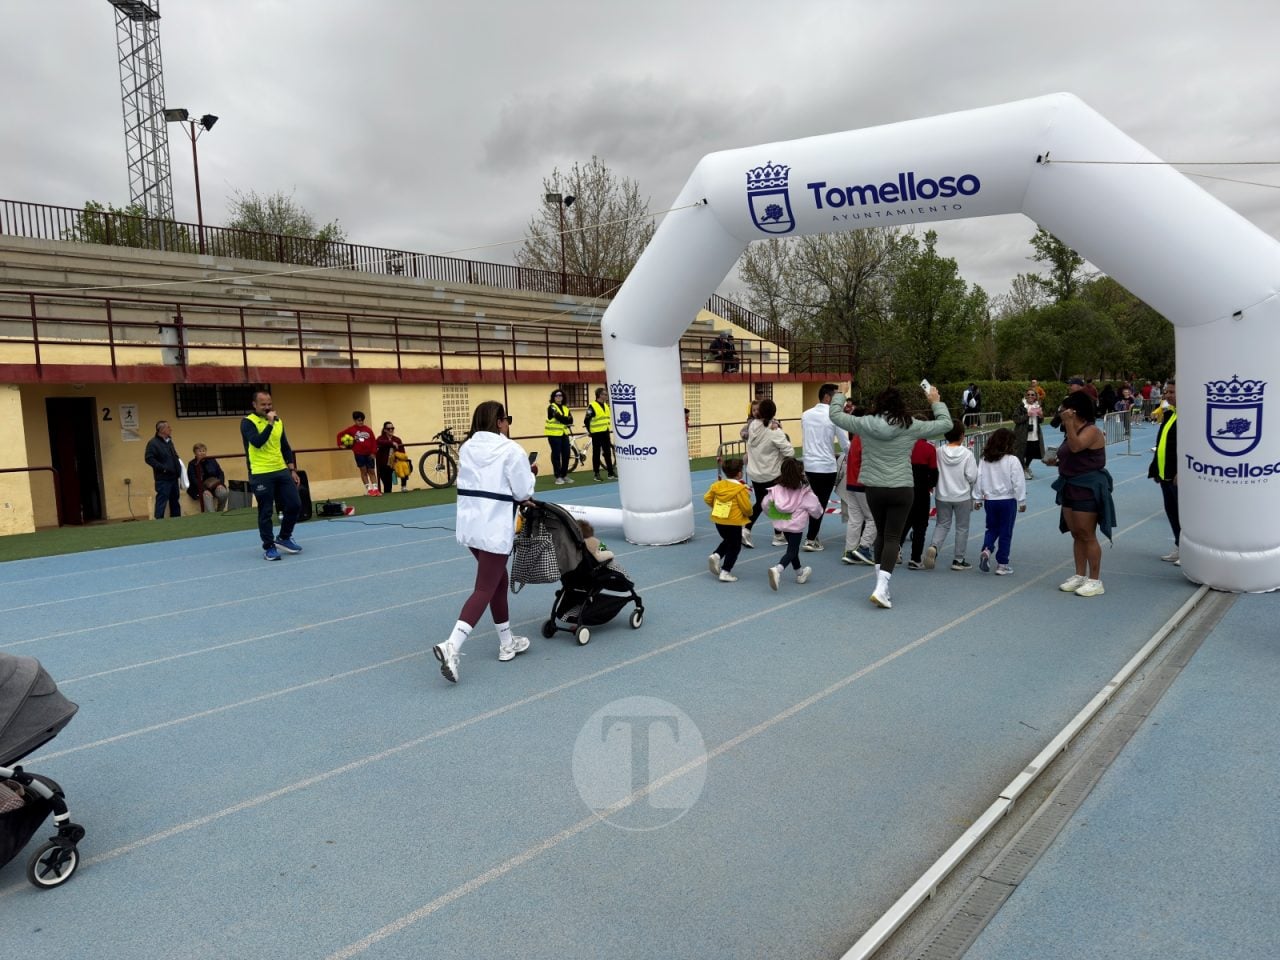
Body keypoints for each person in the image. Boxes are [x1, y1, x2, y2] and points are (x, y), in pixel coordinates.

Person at [433, 400, 537, 684]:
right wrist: (531, 473)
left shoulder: (467, 448)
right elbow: (523, 490)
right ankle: (451, 646)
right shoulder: (511, 449)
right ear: (500, 421)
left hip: (471, 527)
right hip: (494, 528)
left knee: (498, 581)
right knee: (484, 588)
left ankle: (507, 643)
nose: (508, 425)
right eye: (507, 419)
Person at [829, 383, 952, 609]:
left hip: (874, 488)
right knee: (893, 537)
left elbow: (836, 416)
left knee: (881, 536)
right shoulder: (910, 425)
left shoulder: (865, 423)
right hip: (902, 488)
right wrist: (935, 402)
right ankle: (881, 586)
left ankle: (881, 587)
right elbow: (946, 425)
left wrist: (840, 395)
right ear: (900, 405)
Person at [1050, 391, 1116, 598]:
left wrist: (1069, 423)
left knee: (1087, 534)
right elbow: (1069, 452)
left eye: (1064, 409)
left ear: (1073, 411)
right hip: (1070, 485)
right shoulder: (1070, 430)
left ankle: (1095, 580)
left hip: (1087, 487)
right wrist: (1056, 461)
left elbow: (1077, 446)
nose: (1060, 412)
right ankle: (1079, 575)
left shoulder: (1092, 431)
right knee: (1076, 533)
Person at [241, 390, 303, 561]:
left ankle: (284, 537)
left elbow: (284, 446)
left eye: (269, 404)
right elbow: (257, 442)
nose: (267, 408)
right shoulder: (248, 422)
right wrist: (269, 424)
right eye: (263, 405)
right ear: (254, 405)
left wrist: (292, 469)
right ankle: (269, 547)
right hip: (260, 472)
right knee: (266, 510)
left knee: (295, 504)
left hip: (280, 469)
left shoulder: (278, 421)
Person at [760, 457, 823, 591]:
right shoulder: (805, 492)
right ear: (800, 473)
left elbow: (765, 504)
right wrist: (818, 514)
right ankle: (777, 569)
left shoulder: (776, 489)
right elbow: (815, 508)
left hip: (782, 521)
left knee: (792, 550)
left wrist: (773, 514)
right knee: (792, 550)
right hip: (795, 525)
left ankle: (800, 573)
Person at [925, 422, 979, 571]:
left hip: (942, 494)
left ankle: (934, 546)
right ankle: (958, 559)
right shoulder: (967, 454)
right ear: (962, 436)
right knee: (962, 528)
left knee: (942, 524)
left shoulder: (938, 452)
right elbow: (972, 476)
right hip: (962, 496)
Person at [974, 428, 1027, 576]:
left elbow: (979, 478)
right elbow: (1018, 481)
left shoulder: (985, 459)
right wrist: (1021, 500)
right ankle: (1002, 564)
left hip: (990, 501)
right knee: (1005, 532)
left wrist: (978, 497)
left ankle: (987, 548)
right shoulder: (1012, 460)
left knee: (991, 528)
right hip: (1007, 500)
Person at [742, 398, 794, 550]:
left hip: (756, 473)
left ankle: (750, 529)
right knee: (776, 504)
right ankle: (776, 534)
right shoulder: (774, 432)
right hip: (771, 474)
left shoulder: (753, 426)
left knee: (763, 502)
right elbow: (789, 451)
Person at [800, 383, 844, 552]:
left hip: (809, 465)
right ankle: (811, 539)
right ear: (827, 397)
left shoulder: (806, 414)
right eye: (837, 397)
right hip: (826, 467)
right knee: (820, 504)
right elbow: (845, 443)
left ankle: (804, 534)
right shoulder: (835, 416)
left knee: (807, 501)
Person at [837, 403, 876, 566]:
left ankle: (849, 549)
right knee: (874, 518)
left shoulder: (856, 437)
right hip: (862, 483)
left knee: (855, 519)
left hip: (851, 482)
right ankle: (864, 548)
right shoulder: (866, 438)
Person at [704, 457, 753, 582]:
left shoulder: (717, 485)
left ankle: (716, 555)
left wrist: (715, 507)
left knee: (729, 540)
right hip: (733, 522)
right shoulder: (741, 489)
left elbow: (707, 498)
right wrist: (748, 514)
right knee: (735, 546)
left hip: (719, 521)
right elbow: (746, 507)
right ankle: (726, 571)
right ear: (739, 473)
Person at [1148, 378, 1179, 563]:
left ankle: (1190, 550)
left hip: (1178, 475)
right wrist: (1155, 468)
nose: (1167, 395)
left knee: (1184, 514)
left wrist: (1182, 470)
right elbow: (1161, 443)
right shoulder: (1169, 414)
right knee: (1171, 511)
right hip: (1164, 472)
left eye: (1172, 392)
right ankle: (1179, 545)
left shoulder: (1190, 416)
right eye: (1166, 392)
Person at [901, 435, 939, 569]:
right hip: (921, 490)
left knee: (903, 521)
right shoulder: (929, 448)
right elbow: (934, 472)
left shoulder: (904, 446)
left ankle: (895, 551)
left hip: (904, 487)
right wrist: (930, 485)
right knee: (920, 526)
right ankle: (915, 559)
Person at [144, 420, 183, 519]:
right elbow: (149, 459)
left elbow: (174, 455)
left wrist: (178, 466)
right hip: (163, 478)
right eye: (168, 427)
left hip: (174, 476)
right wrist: (163, 468)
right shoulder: (153, 443)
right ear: (161, 430)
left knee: (175, 500)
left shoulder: (169, 441)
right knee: (162, 500)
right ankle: (159, 521)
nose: (171, 429)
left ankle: (176, 520)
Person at [336, 412, 379, 496]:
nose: (361, 422)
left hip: (369, 454)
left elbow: (373, 441)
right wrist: (340, 445)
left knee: (372, 471)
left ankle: (376, 489)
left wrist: (374, 452)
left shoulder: (368, 429)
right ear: (355, 420)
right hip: (359, 453)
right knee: (363, 471)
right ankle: (369, 490)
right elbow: (339, 435)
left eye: (362, 420)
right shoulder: (351, 429)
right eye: (359, 420)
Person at [186, 443, 230, 513]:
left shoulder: (212, 460)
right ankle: (212, 516)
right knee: (207, 496)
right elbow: (193, 479)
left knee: (223, 493)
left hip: (214, 485)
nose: (202, 453)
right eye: (199, 451)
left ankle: (220, 512)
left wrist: (220, 484)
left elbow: (220, 473)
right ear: (195, 453)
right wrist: (203, 490)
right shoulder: (192, 464)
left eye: (203, 451)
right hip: (200, 488)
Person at [1012, 388, 1045, 479]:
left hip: (1034, 433)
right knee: (1021, 453)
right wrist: (1027, 415)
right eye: (1028, 394)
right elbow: (1016, 419)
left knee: (1032, 452)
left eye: (1032, 395)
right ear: (1026, 396)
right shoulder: (1021, 406)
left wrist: (1041, 416)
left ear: (1035, 397)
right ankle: (1022, 469)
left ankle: (1025, 467)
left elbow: (1040, 421)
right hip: (1022, 433)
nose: (1030, 396)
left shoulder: (1037, 406)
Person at [585, 387, 616, 481]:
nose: (607, 396)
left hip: (605, 432)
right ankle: (596, 474)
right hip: (596, 433)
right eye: (605, 394)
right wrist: (590, 432)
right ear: (600, 395)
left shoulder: (606, 406)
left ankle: (610, 473)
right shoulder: (592, 406)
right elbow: (586, 420)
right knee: (596, 453)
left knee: (607, 453)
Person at [544, 389, 575, 485]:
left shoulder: (566, 408)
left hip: (563, 434)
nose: (559, 397)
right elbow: (559, 417)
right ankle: (558, 477)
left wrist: (565, 419)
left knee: (566, 454)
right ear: (553, 397)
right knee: (556, 455)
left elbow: (571, 420)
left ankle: (564, 475)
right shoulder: (551, 407)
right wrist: (565, 419)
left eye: (560, 395)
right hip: (553, 434)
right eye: (556, 395)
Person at [375, 421, 406, 495]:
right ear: (385, 430)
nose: (391, 430)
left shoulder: (397, 439)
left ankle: (403, 486)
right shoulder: (381, 438)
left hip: (395, 463)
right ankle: (388, 495)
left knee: (405, 465)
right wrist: (391, 443)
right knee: (387, 484)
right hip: (384, 465)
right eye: (388, 429)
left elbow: (402, 451)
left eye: (392, 428)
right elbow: (378, 442)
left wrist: (398, 458)